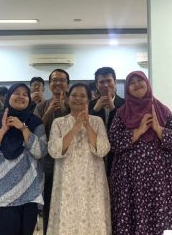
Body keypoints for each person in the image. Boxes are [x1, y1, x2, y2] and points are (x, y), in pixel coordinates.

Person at [109, 71, 172, 235]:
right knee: (131, 219)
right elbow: (113, 143)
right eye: (132, 82)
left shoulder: (162, 111)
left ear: (147, 83)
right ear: (127, 88)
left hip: (160, 180)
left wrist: (159, 130)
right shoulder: (121, 113)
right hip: (129, 182)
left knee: (161, 218)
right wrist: (138, 131)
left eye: (140, 80)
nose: (137, 84)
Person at [0, 83, 47, 235]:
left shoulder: (35, 123)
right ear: (9, 97)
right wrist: (2, 130)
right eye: (16, 93)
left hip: (28, 193)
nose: (21, 96)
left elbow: (40, 152)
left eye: (25, 94)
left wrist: (23, 129)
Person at [47, 83, 112, 235]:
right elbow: (54, 150)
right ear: (67, 99)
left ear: (89, 100)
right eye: (74, 95)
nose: (78, 99)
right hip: (66, 182)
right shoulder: (59, 122)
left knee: (93, 221)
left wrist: (87, 125)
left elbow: (103, 149)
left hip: (93, 181)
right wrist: (75, 127)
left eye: (83, 96)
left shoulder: (97, 121)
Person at [34, 69, 71, 232]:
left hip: (70, 159)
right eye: (54, 80)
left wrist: (65, 109)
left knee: (69, 199)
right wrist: (48, 112)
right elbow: (34, 131)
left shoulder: (73, 103)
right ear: (49, 84)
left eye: (62, 80)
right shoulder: (41, 106)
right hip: (48, 160)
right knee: (49, 199)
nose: (58, 83)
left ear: (67, 84)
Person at [89, 66, 125, 175]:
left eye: (109, 81)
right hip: (95, 157)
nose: (105, 85)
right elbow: (84, 128)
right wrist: (95, 110)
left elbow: (126, 129)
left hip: (118, 157)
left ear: (115, 82)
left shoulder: (125, 104)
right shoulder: (90, 105)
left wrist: (113, 108)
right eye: (101, 82)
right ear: (97, 85)